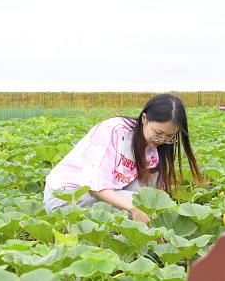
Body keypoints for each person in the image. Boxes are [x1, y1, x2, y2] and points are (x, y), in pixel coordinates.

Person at [43, 93, 204, 225]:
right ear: (144, 119)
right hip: (65, 197)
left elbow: (154, 196)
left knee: (149, 203)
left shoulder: (155, 149)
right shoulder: (113, 131)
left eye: (169, 136)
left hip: (102, 193)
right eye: (158, 133)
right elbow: (94, 186)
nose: (161, 140)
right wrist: (134, 209)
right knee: (141, 206)